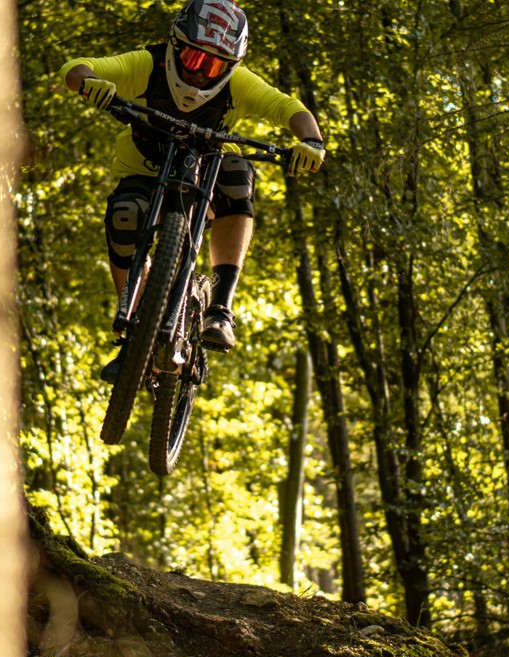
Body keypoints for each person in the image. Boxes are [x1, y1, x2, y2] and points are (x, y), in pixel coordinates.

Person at [61, 0, 325, 383]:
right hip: (143, 171)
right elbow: (77, 68)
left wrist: (312, 142)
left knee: (238, 174)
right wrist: (91, 83)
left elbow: (288, 108)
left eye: (213, 66)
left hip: (207, 173)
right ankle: (132, 328)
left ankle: (220, 309)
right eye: (193, 58)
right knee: (125, 214)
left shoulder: (238, 84)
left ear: (230, 67)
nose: (199, 73)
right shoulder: (147, 65)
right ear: (175, 45)